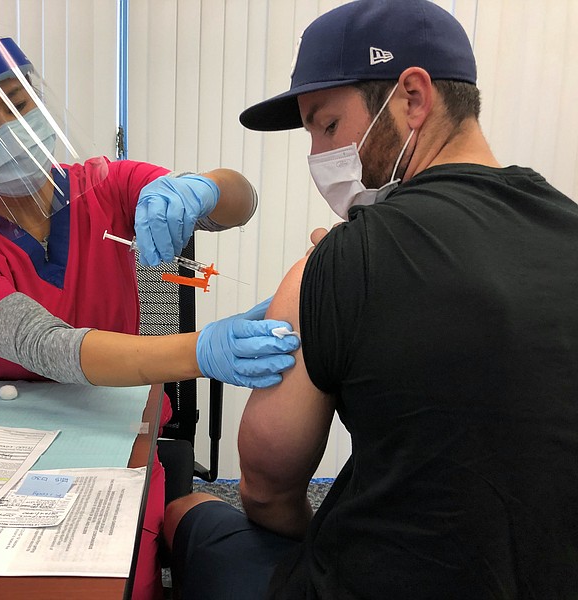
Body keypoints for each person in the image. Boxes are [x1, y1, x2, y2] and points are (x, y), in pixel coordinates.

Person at [164, 1, 578, 598]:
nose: (316, 158)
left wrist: (317, 540)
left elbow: (264, 487)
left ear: (413, 98)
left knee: (186, 511)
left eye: (327, 126)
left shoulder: (330, 265)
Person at [0, 31, 300, 600]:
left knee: (113, 580)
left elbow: (240, 200)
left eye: (16, 102)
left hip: (118, 432)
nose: (10, 131)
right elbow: (50, 346)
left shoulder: (109, 187)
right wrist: (202, 350)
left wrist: (205, 188)